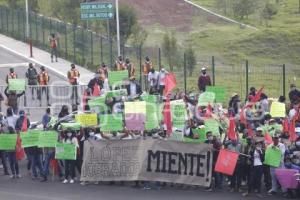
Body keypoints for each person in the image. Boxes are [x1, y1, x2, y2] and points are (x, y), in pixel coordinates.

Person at [268, 132, 287, 196]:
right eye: (274, 138)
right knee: (273, 178)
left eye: (277, 138)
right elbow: (268, 154)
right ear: (272, 138)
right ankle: (274, 190)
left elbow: (281, 153)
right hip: (272, 164)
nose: (275, 139)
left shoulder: (282, 145)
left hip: (280, 164)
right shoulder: (270, 146)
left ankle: (284, 191)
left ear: (278, 139)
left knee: (282, 178)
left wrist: (275, 149)